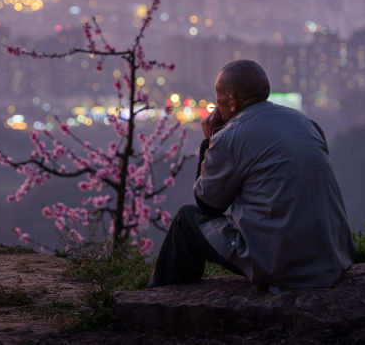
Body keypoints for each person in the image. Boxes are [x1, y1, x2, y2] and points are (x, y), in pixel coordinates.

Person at [149, 59, 354, 288]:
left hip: (280, 267)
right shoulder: (305, 122)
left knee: (187, 220)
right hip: (333, 257)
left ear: (232, 103)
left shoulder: (230, 136)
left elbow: (208, 204)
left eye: (218, 103)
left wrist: (209, 141)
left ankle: (161, 300)